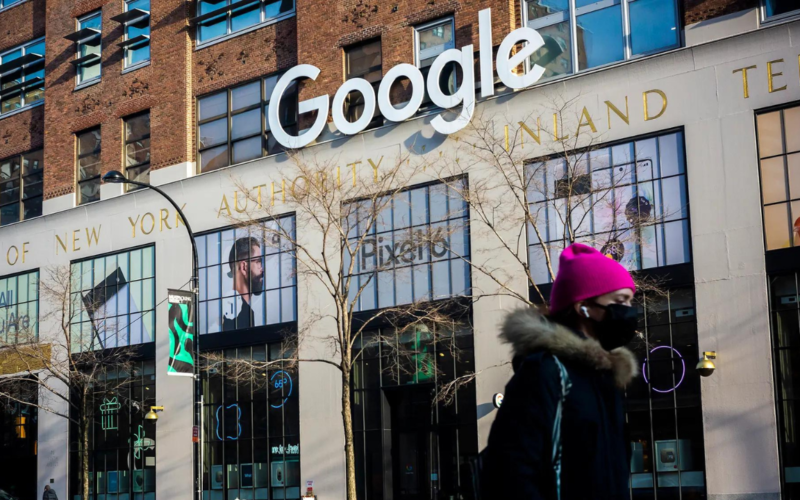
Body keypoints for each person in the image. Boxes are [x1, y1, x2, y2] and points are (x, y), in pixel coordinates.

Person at [480, 243, 639, 500]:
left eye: (631, 301)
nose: (630, 311)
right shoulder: (545, 371)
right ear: (583, 307)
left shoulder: (604, 379)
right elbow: (510, 474)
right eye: (620, 301)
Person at [222, 236, 264, 331]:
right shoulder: (240, 312)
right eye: (258, 262)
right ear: (244, 267)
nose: (262, 269)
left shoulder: (229, 307)